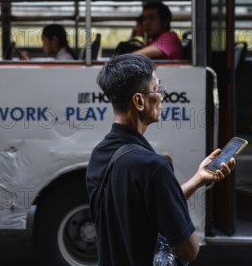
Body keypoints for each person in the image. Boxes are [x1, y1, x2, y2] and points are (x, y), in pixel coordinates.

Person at [86, 54, 235, 266]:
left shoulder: (99, 155)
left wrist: (198, 179)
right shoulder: (154, 167)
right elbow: (189, 250)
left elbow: (144, 207)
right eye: (157, 89)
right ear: (139, 101)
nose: (162, 96)